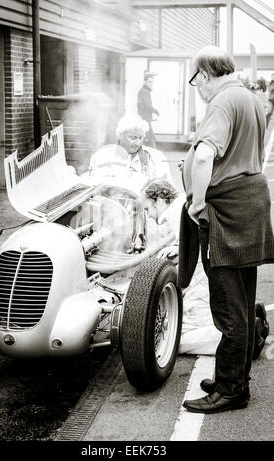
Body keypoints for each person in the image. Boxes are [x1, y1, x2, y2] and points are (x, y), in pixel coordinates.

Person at [177, 46, 274, 414]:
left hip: (226, 212)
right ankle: (232, 376)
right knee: (244, 300)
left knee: (228, 306)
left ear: (203, 75)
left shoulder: (220, 102)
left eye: (195, 80)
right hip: (248, 204)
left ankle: (232, 390)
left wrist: (197, 202)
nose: (197, 88)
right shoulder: (250, 98)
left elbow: (204, 155)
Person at [141, 179, 270, 356]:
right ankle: (247, 321)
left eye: (147, 208)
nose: (148, 215)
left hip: (202, 282)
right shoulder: (183, 205)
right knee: (198, 320)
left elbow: (189, 255)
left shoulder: (175, 213)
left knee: (175, 337)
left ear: (159, 200)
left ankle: (249, 336)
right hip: (207, 276)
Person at [89, 114, 172, 188]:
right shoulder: (101, 157)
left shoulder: (156, 157)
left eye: (141, 138)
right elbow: (92, 185)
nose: (138, 143)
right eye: (133, 138)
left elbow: (167, 188)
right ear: (120, 135)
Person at [137, 74, 159, 148]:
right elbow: (147, 105)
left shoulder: (145, 91)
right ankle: (154, 154)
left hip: (145, 118)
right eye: (149, 82)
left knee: (149, 137)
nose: (151, 84)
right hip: (144, 118)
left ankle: (152, 154)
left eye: (152, 82)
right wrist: (156, 111)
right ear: (144, 82)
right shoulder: (144, 92)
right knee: (149, 137)